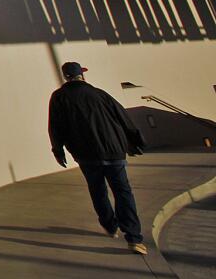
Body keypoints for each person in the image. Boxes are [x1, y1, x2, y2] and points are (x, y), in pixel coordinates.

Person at [48, 61, 149, 255]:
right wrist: (136, 141)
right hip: (113, 151)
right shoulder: (99, 94)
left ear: (65, 77)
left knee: (97, 190)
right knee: (123, 192)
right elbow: (123, 117)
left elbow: (55, 126)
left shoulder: (59, 98)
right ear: (82, 75)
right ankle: (134, 238)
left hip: (85, 154)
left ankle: (110, 225)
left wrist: (58, 150)